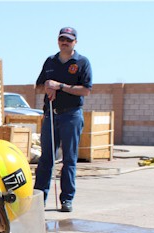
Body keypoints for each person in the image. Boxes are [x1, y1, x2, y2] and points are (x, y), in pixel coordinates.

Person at [33, 26, 92, 213]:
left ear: (75, 42)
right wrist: (47, 87)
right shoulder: (50, 61)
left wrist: (60, 86)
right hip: (51, 114)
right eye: (61, 39)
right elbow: (38, 87)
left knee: (69, 159)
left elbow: (86, 90)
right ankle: (39, 197)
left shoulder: (82, 62)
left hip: (71, 115)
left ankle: (67, 199)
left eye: (68, 39)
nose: (64, 42)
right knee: (46, 159)